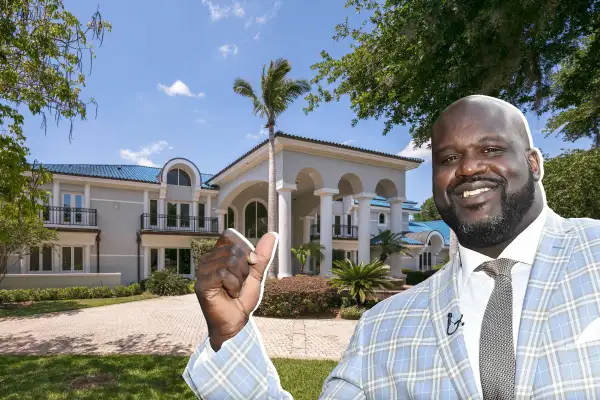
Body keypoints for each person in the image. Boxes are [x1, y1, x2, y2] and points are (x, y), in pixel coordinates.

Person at [183, 95, 600, 399]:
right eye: (448, 158)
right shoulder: (381, 328)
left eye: (491, 149)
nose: (469, 168)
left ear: (534, 162)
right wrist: (230, 334)